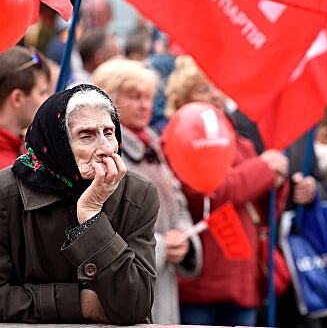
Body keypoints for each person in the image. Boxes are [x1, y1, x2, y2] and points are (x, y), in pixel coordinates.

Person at [0, 84, 159, 324]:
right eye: (86, 135)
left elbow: (134, 304)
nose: (106, 148)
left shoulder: (138, 193)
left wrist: (92, 215)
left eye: (109, 132)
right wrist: (80, 303)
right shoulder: (6, 193)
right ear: (56, 143)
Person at [164, 55, 290, 327]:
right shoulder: (176, 139)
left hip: (243, 280)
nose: (214, 95)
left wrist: (282, 184)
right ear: (182, 100)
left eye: (217, 86)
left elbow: (265, 210)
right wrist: (264, 170)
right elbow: (206, 194)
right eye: (202, 89)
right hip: (201, 284)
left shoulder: (241, 143)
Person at [92, 58, 202, 324]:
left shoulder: (154, 145)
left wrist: (186, 240)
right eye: (135, 96)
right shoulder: (104, 153)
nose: (145, 105)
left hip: (162, 281)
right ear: (111, 99)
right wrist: (162, 246)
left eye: (149, 97)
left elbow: (178, 201)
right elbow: (102, 226)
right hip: (127, 284)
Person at [0, 45, 51, 169]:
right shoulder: (5, 168)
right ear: (17, 98)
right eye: (42, 92)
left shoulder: (27, 147)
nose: (49, 99)